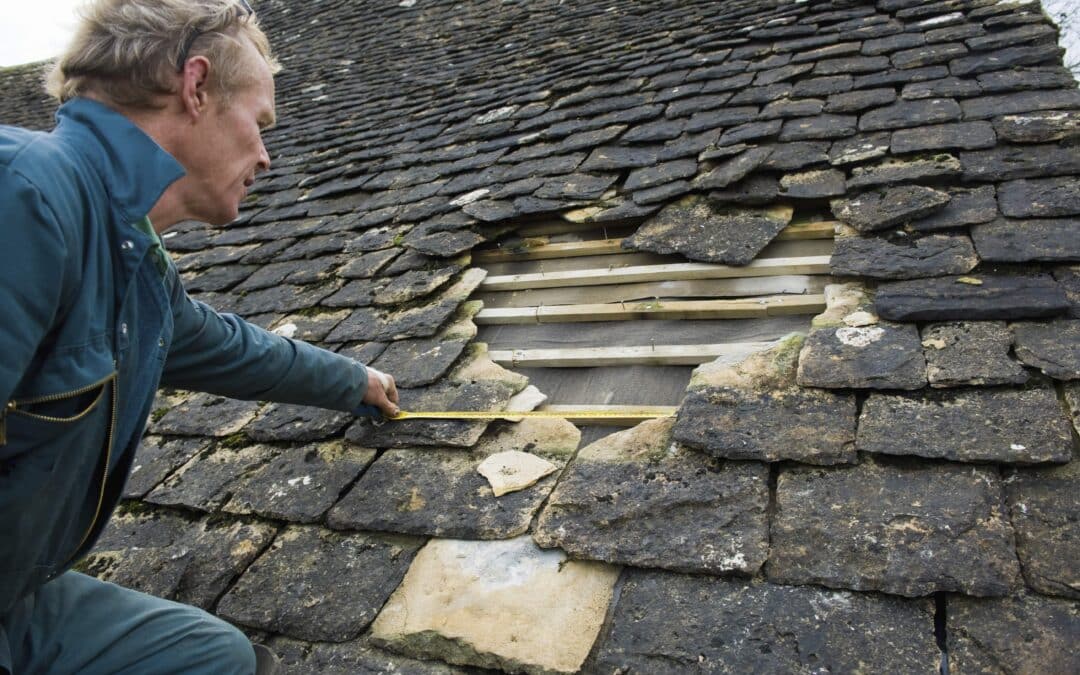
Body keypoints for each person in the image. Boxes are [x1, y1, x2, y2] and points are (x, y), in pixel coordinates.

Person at [0, 1, 399, 672]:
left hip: (15, 595)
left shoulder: (139, 273)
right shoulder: (27, 194)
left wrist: (356, 381)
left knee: (217, 658)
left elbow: (242, 351)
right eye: (260, 121)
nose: (267, 157)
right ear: (195, 87)